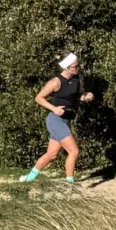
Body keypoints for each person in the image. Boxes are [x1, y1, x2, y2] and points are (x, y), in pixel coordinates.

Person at [20, 52, 93, 184]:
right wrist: (54, 109)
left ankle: (28, 178)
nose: (77, 68)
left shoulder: (77, 79)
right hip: (55, 120)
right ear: (66, 67)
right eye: (74, 66)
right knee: (74, 151)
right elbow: (38, 98)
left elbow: (77, 96)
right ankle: (70, 182)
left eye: (77, 65)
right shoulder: (55, 82)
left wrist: (86, 97)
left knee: (52, 154)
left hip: (67, 120)